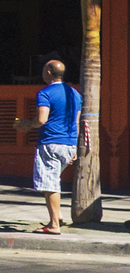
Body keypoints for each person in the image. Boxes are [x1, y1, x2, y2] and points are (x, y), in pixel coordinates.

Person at [29, 59, 82, 235]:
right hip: (69, 144)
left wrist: (26, 124)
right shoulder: (75, 93)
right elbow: (76, 121)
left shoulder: (45, 93)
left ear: (49, 72)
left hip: (50, 143)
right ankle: (57, 215)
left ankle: (53, 225)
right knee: (51, 180)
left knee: (50, 184)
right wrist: (75, 145)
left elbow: (41, 120)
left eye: (44, 69)